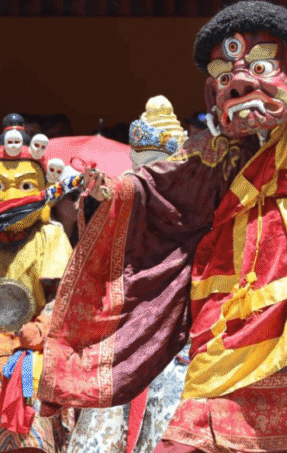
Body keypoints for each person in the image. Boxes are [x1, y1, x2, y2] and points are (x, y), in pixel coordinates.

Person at [38, 0, 287, 453]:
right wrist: (114, 191)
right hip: (224, 325)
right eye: (226, 77)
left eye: (261, 67)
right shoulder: (216, 152)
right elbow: (164, 188)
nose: (241, 83)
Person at [65, 96, 190, 453]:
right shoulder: (121, 207)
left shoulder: (194, 213)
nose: (145, 176)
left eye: (155, 166)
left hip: (179, 339)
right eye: (139, 165)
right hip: (123, 330)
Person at [0, 114, 73, 452]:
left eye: (24, 186)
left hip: (34, 339)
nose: (9, 196)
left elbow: (60, 298)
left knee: (40, 380)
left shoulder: (50, 234)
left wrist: (39, 330)